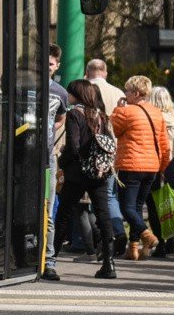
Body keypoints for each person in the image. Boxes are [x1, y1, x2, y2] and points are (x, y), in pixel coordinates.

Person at [58, 78, 118, 280]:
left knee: (64, 214)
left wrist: (63, 162)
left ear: (78, 94)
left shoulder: (75, 114)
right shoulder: (102, 116)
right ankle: (109, 263)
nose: (69, 96)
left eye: (71, 93)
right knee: (103, 214)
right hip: (99, 172)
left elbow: (73, 146)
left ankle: (50, 260)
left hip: (77, 173)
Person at [110, 75, 169, 258]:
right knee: (136, 206)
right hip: (152, 167)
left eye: (127, 91)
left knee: (126, 207)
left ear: (135, 93)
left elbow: (115, 129)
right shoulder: (156, 112)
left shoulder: (126, 112)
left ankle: (146, 235)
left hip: (131, 165)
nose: (125, 94)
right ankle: (133, 248)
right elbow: (164, 143)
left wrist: (118, 109)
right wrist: (163, 167)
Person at [83, 58, 125, 241]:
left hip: (88, 149)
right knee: (108, 194)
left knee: (83, 198)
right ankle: (117, 231)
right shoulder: (118, 93)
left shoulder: (82, 90)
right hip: (111, 149)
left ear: (87, 71)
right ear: (105, 72)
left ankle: (89, 238)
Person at [149, 85, 174, 256]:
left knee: (154, 206)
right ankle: (172, 239)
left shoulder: (152, 118)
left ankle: (161, 242)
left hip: (155, 166)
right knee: (171, 203)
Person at [43, 46, 72, 281]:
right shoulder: (24, 85)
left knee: (48, 210)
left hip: (48, 156)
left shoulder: (60, 93)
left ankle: (49, 260)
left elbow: (60, 119)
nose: (47, 66)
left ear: (57, 66)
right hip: (25, 156)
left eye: (51, 63)